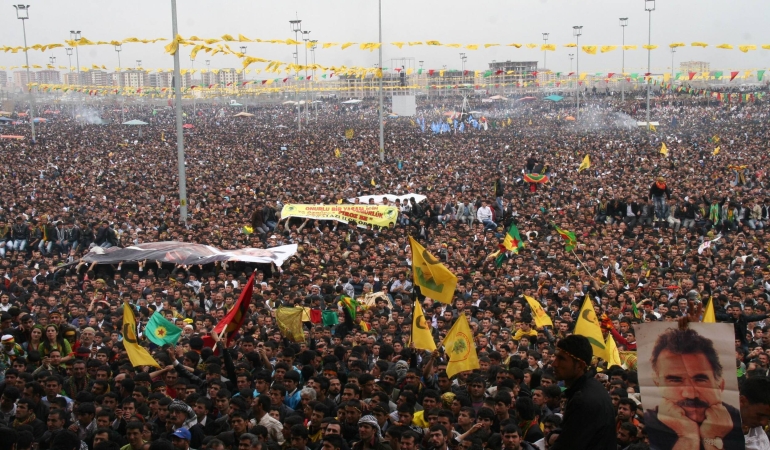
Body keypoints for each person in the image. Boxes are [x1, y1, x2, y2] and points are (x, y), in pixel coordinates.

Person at [644, 327, 743, 450]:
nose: (690, 394)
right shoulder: (646, 424)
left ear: (720, 385)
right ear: (658, 384)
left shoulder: (740, 422)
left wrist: (712, 438)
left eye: (700, 379)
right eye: (675, 380)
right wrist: (687, 436)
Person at [548, 335, 616, 450]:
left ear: (579, 365)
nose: (554, 364)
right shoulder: (590, 387)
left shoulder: (583, 399)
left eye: (562, 359)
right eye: (556, 357)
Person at [738, 376, 770, 450]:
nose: (764, 423)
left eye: (768, 418)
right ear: (742, 401)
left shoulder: (761, 439)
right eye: (760, 415)